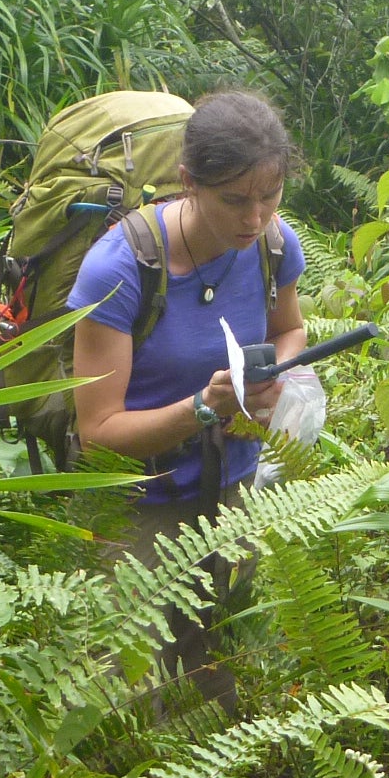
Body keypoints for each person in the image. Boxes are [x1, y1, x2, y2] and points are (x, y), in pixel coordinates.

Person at [68, 90, 307, 706]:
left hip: (235, 489)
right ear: (187, 183)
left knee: (217, 678)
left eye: (269, 197)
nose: (253, 219)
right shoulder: (119, 270)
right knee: (127, 700)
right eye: (233, 200)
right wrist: (204, 408)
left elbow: (288, 329)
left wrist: (270, 379)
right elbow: (97, 431)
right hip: (138, 506)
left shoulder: (273, 245)